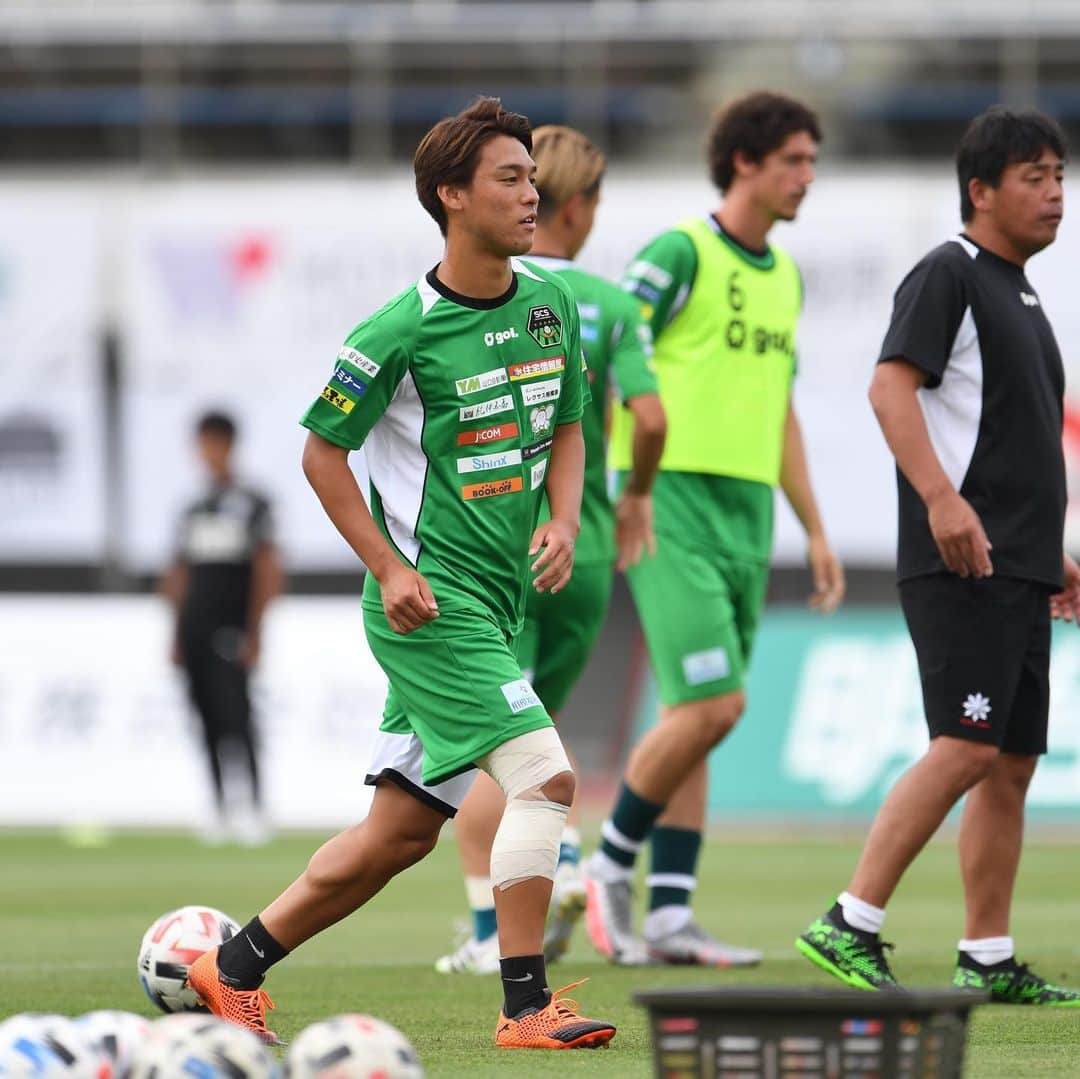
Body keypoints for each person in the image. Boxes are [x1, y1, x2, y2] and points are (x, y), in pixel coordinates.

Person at [185, 97, 616, 1050]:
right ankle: (524, 1006)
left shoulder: (550, 306)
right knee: (544, 776)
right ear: (450, 196)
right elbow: (319, 455)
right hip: (430, 606)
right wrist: (385, 565)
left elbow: (574, 421)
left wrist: (562, 514)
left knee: (398, 835)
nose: (531, 192)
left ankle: (234, 964)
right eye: (510, 177)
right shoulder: (398, 331)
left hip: (495, 605)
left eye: (532, 177)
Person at [797, 106, 1080, 1005]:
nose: (1055, 193)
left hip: (1018, 561)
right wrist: (941, 500)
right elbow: (890, 388)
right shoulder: (948, 272)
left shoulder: (1022, 293)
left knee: (1009, 763)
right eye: (1034, 176)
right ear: (980, 190)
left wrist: (1051, 552)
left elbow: (1009, 437)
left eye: (1059, 175)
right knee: (964, 745)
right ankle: (851, 919)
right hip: (961, 558)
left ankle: (987, 955)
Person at [582, 91, 846, 966]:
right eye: (795, 161)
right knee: (711, 702)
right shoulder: (678, 252)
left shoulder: (787, 275)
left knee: (701, 714)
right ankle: (608, 863)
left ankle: (669, 916)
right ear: (745, 162)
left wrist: (813, 527)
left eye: (812, 161)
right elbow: (605, 351)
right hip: (669, 502)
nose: (808, 176)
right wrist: (617, 482)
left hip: (747, 512)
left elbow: (782, 413)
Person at [434, 124, 667, 976]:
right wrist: (634, 494)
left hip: (502, 550)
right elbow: (650, 417)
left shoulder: (504, 290)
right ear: (587, 205)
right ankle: (555, 867)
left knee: (497, 744)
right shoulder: (608, 303)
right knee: (541, 738)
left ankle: (490, 930)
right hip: (586, 549)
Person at [161, 410, 282, 846]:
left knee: (238, 716)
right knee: (205, 718)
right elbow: (178, 573)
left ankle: (252, 805)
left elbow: (269, 568)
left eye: (213, 443)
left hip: (232, 628)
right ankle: (217, 806)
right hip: (194, 627)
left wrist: (256, 630)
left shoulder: (252, 503)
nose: (207, 453)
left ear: (229, 445)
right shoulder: (193, 507)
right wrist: (174, 631)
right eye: (201, 445)